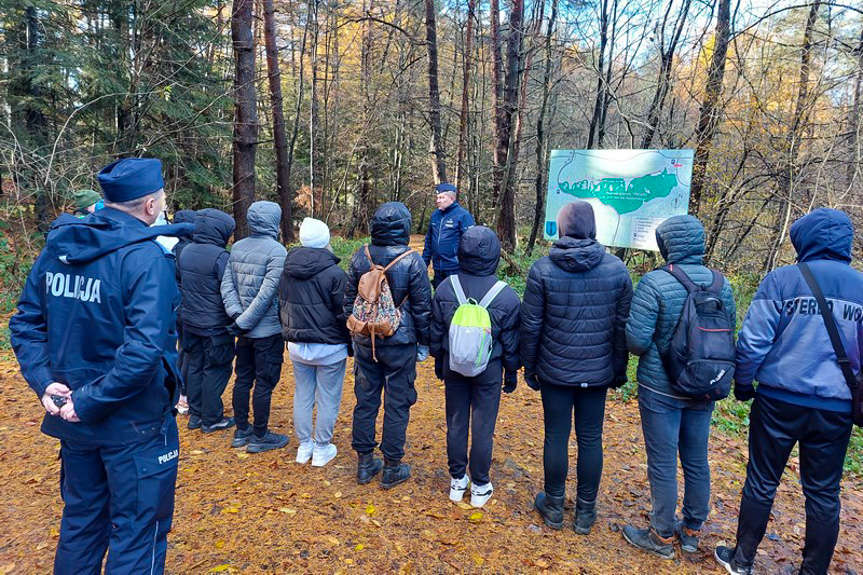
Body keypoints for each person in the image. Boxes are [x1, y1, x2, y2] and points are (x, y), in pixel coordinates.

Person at [9, 157, 193, 574]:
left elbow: (25, 323)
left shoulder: (61, 249)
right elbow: (144, 351)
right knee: (136, 531)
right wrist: (54, 387)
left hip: (81, 417)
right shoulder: (143, 259)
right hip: (131, 425)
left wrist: (55, 389)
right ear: (151, 205)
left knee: (82, 523)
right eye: (162, 198)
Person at [715, 208, 863, 575]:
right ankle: (812, 572)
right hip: (836, 407)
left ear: (804, 239)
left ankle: (742, 560)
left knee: (762, 480)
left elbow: (753, 342)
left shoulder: (782, 280)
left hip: (778, 400)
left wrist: (744, 383)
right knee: (824, 492)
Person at [623, 215, 736, 559]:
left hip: (661, 388)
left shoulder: (655, 282)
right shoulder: (722, 284)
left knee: (662, 462)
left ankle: (660, 536)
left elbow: (637, 342)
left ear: (666, 245)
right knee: (697, 459)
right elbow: (728, 334)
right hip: (704, 386)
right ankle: (691, 531)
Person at [521, 201, 633, 534]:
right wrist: (618, 369)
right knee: (591, 439)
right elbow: (621, 328)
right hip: (597, 373)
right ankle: (585, 512)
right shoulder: (616, 270)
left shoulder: (542, 269)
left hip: (555, 371)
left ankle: (554, 506)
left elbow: (531, 326)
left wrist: (529, 367)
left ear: (563, 227)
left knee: (555, 436)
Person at [430, 226, 521, 508]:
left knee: (456, 422)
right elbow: (511, 341)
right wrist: (511, 371)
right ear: (495, 255)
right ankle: (480, 483)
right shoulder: (506, 295)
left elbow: (435, 331)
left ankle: (457, 481)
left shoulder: (446, 287)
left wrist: (438, 360)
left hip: (453, 365)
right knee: (483, 425)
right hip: (489, 370)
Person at [346, 202, 432, 488]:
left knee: (365, 401)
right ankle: (392, 467)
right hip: (399, 343)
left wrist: (354, 335)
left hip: (365, 339)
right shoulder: (413, 260)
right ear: (405, 226)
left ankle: (364, 464)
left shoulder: (361, 255)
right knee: (397, 404)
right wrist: (424, 343)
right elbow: (422, 308)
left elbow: (348, 300)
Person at [280, 218, 352, 467]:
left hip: (298, 345)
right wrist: (349, 342)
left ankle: (304, 446)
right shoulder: (335, 273)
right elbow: (343, 313)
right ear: (326, 240)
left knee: (302, 395)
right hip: (330, 347)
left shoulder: (287, 269)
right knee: (328, 397)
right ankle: (321, 448)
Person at [220, 201, 288, 453]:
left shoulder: (237, 247)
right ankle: (259, 434)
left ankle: (241, 430)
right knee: (264, 382)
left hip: (243, 330)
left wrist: (238, 318)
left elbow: (227, 286)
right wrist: (245, 319)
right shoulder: (277, 251)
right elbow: (268, 293)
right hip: (267, 331)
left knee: (243, 378)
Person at [178, 207, 236, 433]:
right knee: (217, 368)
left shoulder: (186, 251)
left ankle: (196, 415)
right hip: (215, 325)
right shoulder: (221, 257)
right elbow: (228, 287)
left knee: (195, 365)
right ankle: (211, 418)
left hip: (191, 321)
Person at [422, 183, 475, 289]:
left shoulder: (463, 216)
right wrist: (424, 263)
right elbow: (429, 241)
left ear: (451, 198)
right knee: (439, 298)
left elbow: (471, 245)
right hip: (437, 268)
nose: (438, 201)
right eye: (437, 198)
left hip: (455, 268)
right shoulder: (435, 215)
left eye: (441, 197)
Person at [172, 209, 198, 414]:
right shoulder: (187, 250)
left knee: (182, 349)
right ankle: (183, 396)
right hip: (186, 307)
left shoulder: (174, 247)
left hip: (177, 307)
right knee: (188, 351)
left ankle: (178, 393)